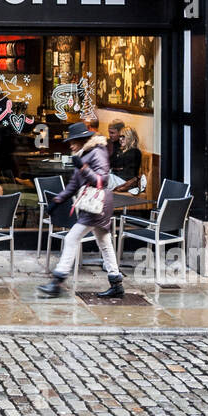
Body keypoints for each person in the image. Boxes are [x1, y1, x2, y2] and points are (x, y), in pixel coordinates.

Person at [38, 122, 125, 299]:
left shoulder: (97, 151)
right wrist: (57, 200)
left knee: (71, 238)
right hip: (93, 204)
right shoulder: (83, 154)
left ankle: (57, 282)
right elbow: (73, 185)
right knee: (104, 242)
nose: (70, 144)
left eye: (73, 141)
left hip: (97, 204)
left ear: (82, 140)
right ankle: (116, 283)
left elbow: (102, 180)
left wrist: (83, 168)